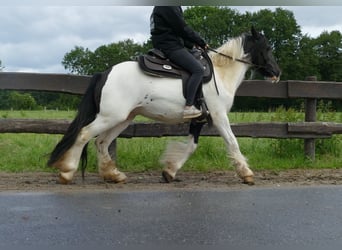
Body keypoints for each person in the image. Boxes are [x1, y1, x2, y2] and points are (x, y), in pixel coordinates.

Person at [150, 6, 209, 119]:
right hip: (170, 47)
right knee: (198, 69)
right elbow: (182, 28)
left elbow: (175, 31)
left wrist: (192, 45)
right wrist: (201, 42)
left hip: (168, 44)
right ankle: (189, 106)